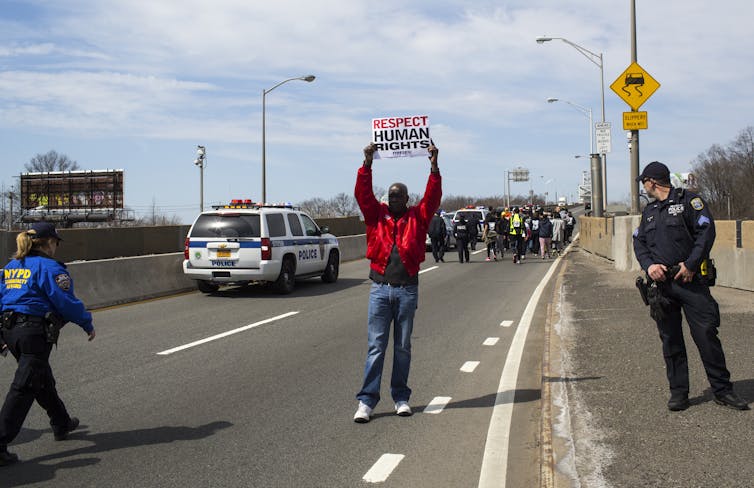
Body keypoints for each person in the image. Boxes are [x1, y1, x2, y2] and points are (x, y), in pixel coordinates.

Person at [632, 161, 748, 412]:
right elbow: (639, 242)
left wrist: (693, 264)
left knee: (706, 335)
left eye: (644, 182)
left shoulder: (690, 202)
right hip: (661, 286)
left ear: (652, 182)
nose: (644, 186)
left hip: (689, 281)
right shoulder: (649, 211)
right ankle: (679, 393)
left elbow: (706, 232)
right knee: (671, 341)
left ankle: (722, 390)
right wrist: (649, 266)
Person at [353, 142, 441, 423]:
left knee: (403, 347)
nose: (393, 200)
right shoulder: (375, 216)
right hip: (380, 289)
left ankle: (401, 397)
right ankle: (366, 402)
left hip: (406, 290)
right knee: (376, 347)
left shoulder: (419, 216)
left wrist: (434, 165)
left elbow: (433, 197)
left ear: (406, 198)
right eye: (391, 196)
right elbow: (362, 195)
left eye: (398, 196)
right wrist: (367, 164)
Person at [0, 222, 96, 466]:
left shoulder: (12, 266)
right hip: (33, 333)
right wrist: (86, 322)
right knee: (24, 386)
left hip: (10, 332)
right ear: (48, 243)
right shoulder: (50, 268)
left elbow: (3, 299)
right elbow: (65, 301)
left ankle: (61, 422)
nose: (56, 247)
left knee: (39, 378)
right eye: (55, 242)